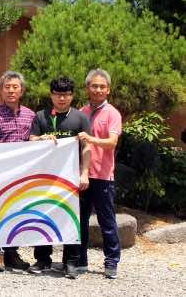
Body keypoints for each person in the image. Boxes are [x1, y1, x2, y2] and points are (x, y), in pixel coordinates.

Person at [28, 76, 91, 279]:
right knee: (43, 214)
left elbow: (87, 147)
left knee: (72, 218)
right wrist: (41, 139)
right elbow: (30, 140)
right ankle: (42, 258)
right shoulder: (41, 116)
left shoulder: (80, 118)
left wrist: (85, 173)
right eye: (57, 94)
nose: (61, 98)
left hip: (71, 178)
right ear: (51, 95)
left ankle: (70, 262)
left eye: (66, 95)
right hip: (45, 177)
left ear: (72, 96)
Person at [0, 71, 36, 272]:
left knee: (18, 213)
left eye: (15, 87)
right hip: (0, 174)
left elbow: (35, 142)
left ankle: (12, 253)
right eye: (7, 87)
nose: (11, 91)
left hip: (23, 175)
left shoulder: (31, 115)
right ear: (1, 90)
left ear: (22, 90)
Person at [77, 69, 122, 279]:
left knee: (107, 221)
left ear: (108, 90)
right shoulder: (81, 112)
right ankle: (80, 260)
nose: (98, 90)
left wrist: (90, 139)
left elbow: (112, 142)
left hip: (103, 176)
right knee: (80, 220)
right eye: (94, 86)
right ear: (87, 88)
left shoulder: (113, 113)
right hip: (82, 175)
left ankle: (111, 261)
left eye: (102, 86)